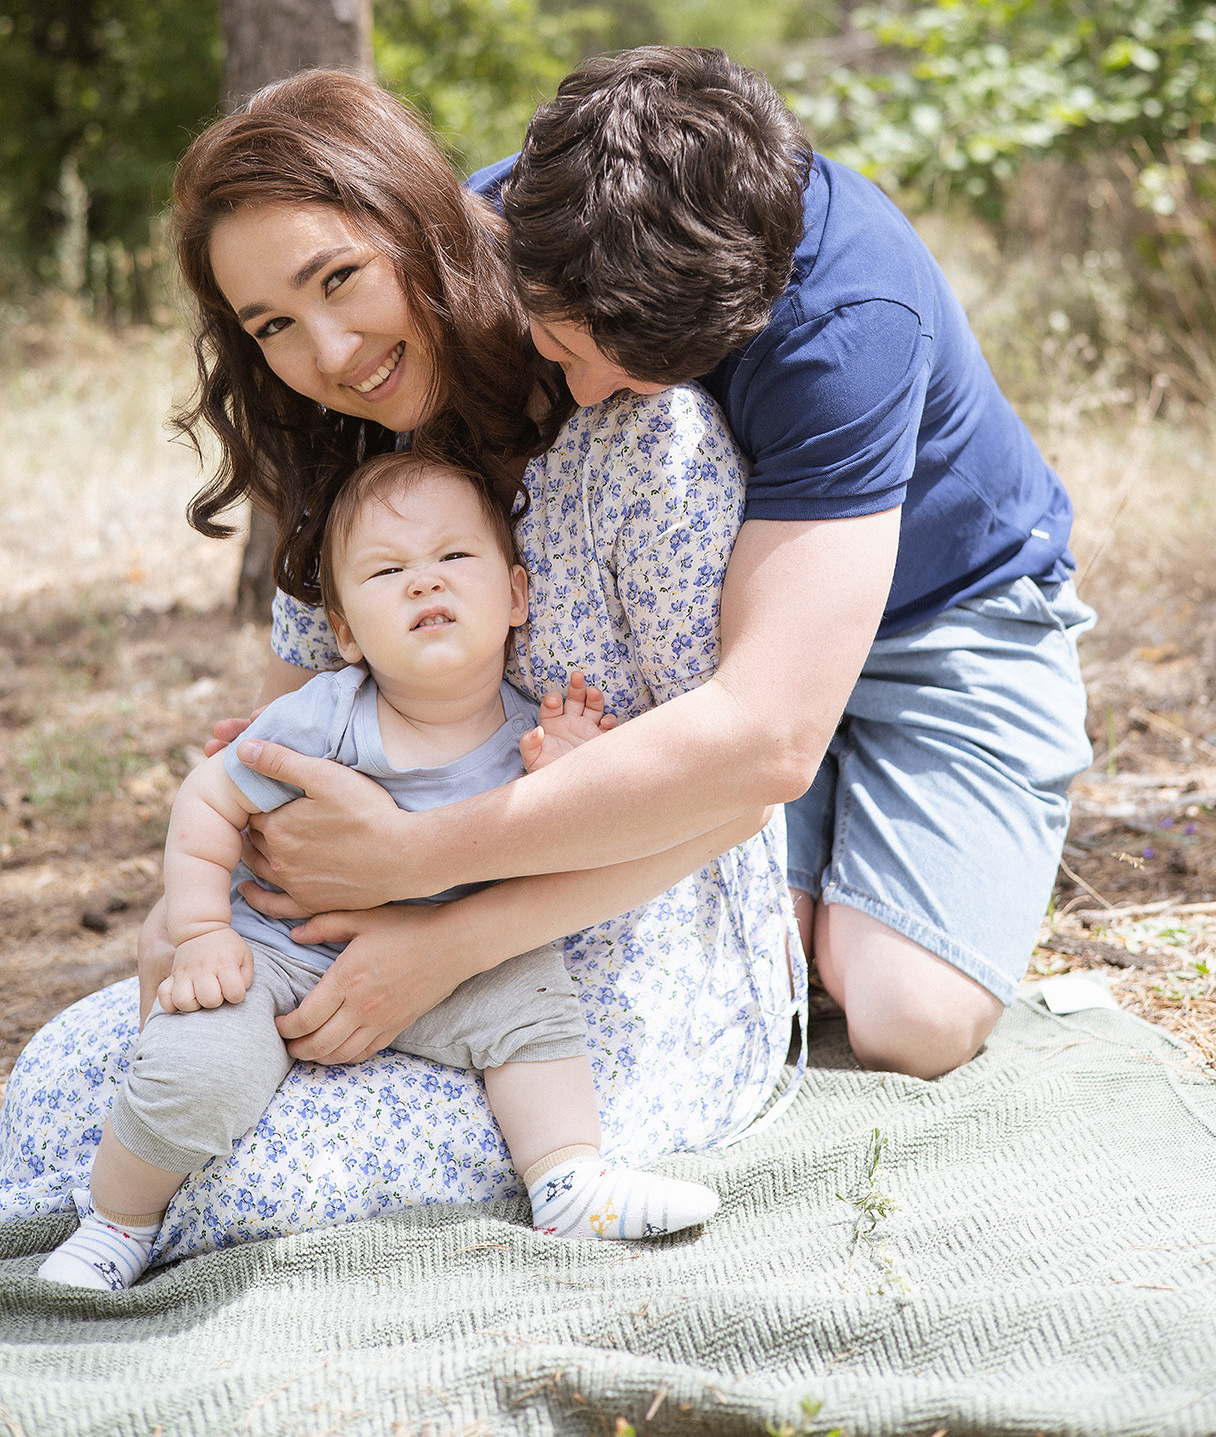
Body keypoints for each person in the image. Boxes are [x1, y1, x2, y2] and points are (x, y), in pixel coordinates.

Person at [0, 69, 794, 1262]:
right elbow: (278, 755)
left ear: (419, 225)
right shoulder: (351, 464)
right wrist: (193, 916)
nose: (324, 349)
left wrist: (447, 937)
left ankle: (567, 1178)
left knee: (253, 1174)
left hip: (590, 959)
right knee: (75, 1077)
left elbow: (730, 789)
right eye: (269, 324)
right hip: (336, 938)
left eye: (339, 279)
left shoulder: (639, 431)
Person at [245, 48, 1094, 1082]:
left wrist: (424, 859)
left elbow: (768, 739)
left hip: (945, 620)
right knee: (734, 941)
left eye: (635, 371)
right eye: (561, 351)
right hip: (708, 646)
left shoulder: (844, 322)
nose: (588, 396)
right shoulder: (508, 227)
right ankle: (813, 883)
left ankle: (900, 860)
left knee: (905, 1015)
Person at [38, 455, 719, 1290]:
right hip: (281, 953)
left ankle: (568, 1181)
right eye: (388, 571)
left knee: (536, 1000)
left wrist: (573, 771)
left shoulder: (528, 733)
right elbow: (208, 802)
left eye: (453, 559)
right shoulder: (325, 714)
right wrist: (203, 931)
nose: (424, 583)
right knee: (199, 1066)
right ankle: (117, 1223)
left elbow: (587, 835)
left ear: (516, 597)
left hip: (444, 956)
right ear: (348, 632)